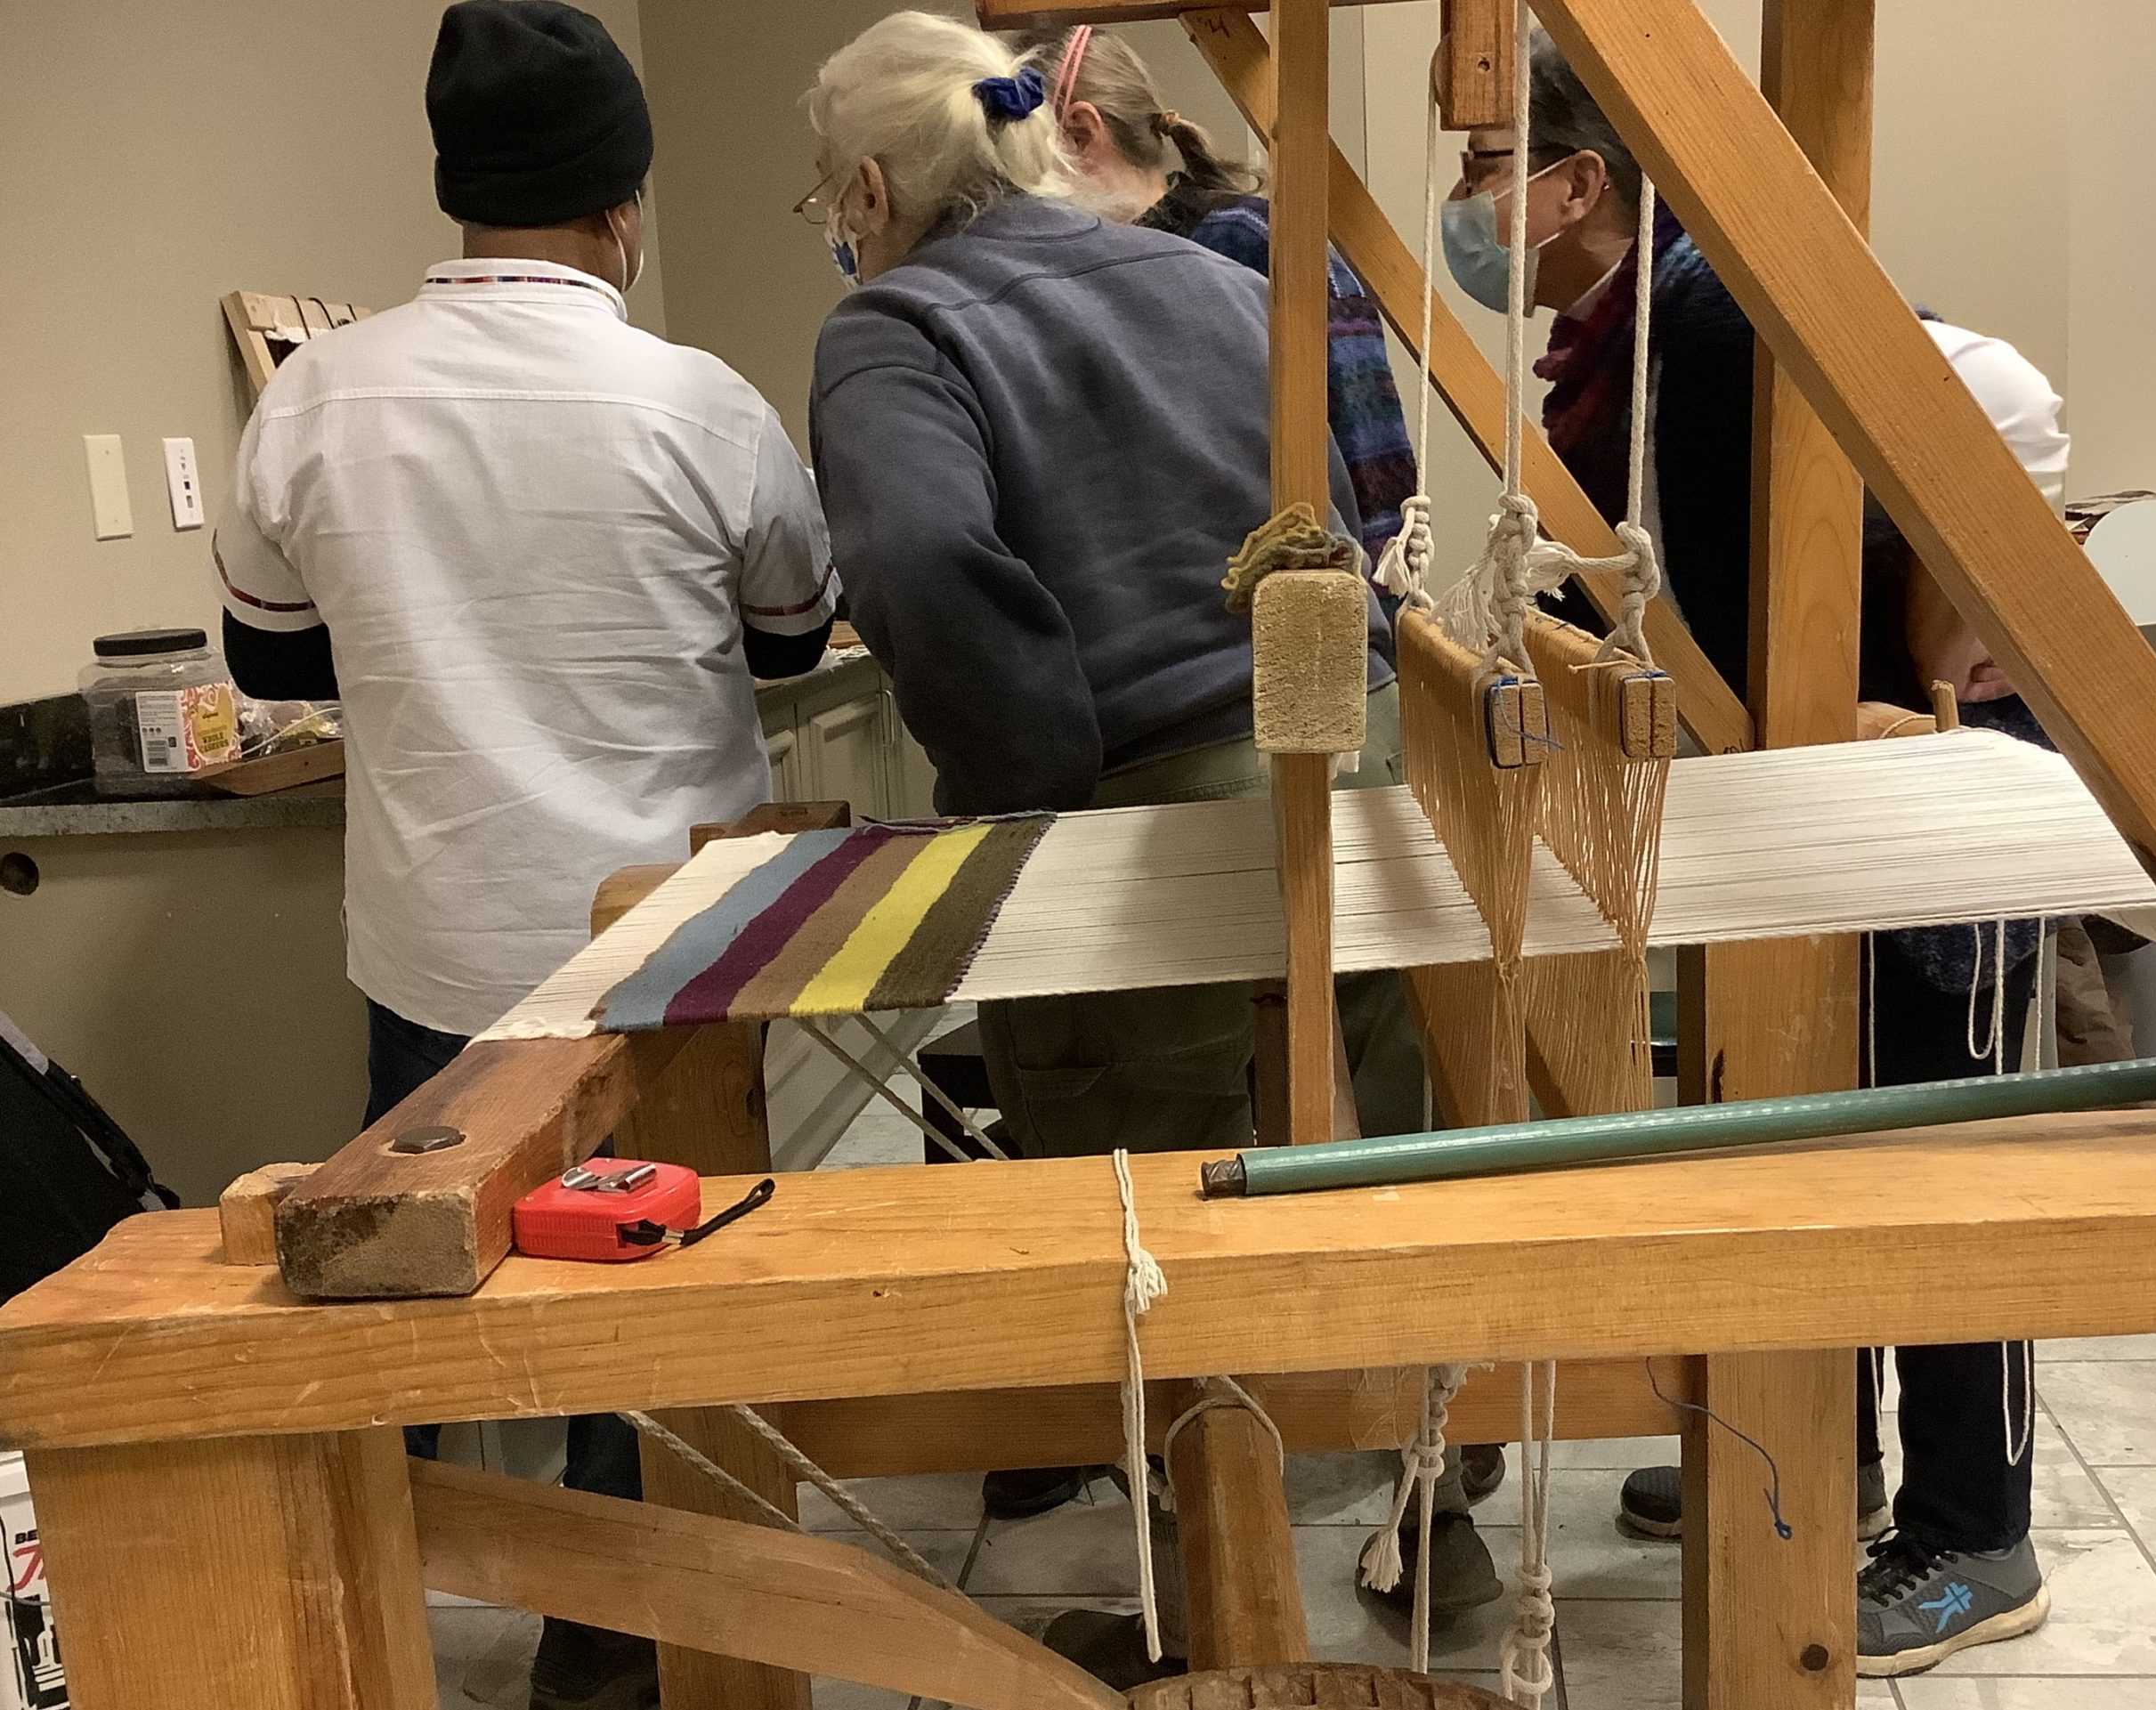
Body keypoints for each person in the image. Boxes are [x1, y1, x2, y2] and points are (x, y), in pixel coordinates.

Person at [800, 10, 1451, 1678]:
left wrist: (1034, 783)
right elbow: (1349, 533)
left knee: (1149, 1237)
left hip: (1139, 820)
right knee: (1378, 1164)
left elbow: (925, 564)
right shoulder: (1227, 284)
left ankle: (1216, 1618)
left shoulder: (895, 331)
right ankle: (1432, 1513)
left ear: (871, 185)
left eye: (828, 199)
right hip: (1358, 787)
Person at [213, 4, 835, 1704]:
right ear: (622, 205)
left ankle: (378, 1609)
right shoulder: (695, 403)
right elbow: (793, 640)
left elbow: (271, 661)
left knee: (422, 1279)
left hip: (437, 939)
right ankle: (614, 1633)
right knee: (649, 1293)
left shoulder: (319, 395)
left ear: (459, 193)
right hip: (672, 939)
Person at [1439, 30, 2068, 1679]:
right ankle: (1836, 1453)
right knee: (1839, 1139)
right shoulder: (1641, 332)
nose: (1462, 206)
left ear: (1580, 184)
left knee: (1942, 1171)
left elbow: (1739, 599)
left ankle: (1975, 1538)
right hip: (1830, 802)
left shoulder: (1712, 322)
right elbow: (1659, 588)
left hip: (1927, 799)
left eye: (1480, 173)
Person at [1015, 25, 1419, 588]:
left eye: (1014, 161)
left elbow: (1371, 464)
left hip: (1301, 619)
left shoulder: (1260, 244)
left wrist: (1376, 617)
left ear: (1081, 132)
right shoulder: (1062, 286)